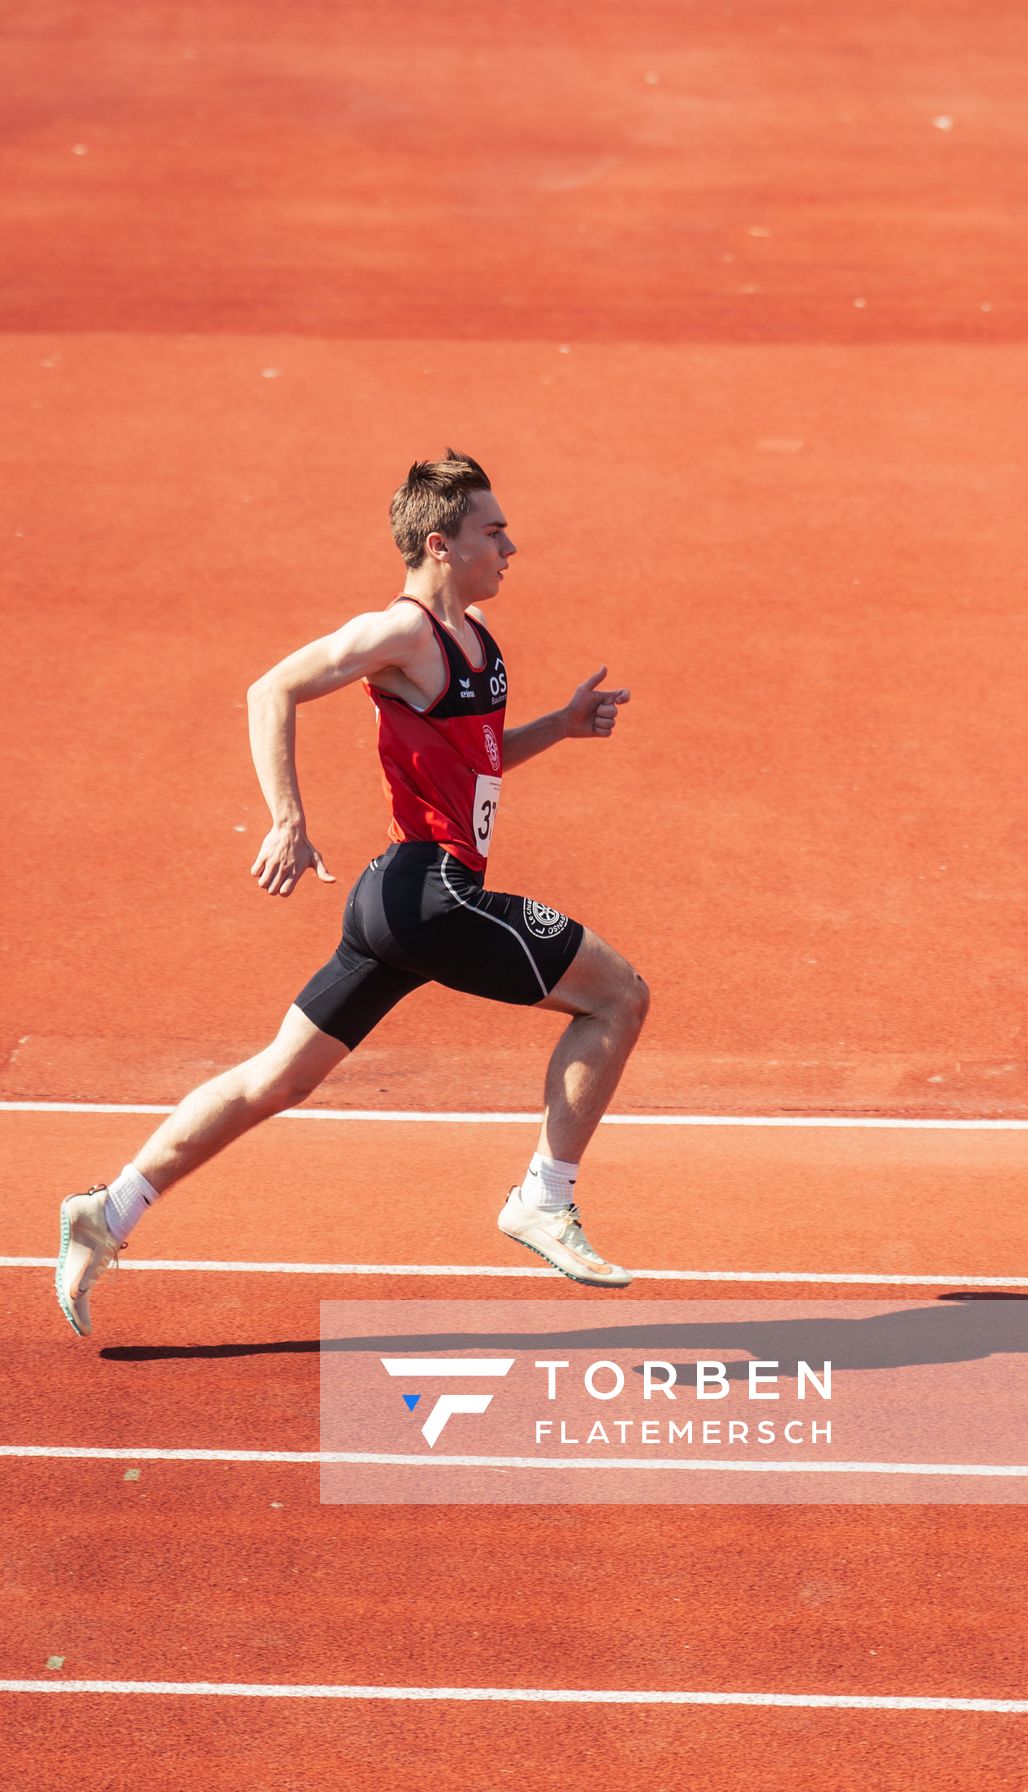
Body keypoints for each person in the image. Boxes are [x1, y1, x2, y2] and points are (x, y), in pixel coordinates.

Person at [55, 451, 649, 1335]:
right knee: (617, 996)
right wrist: (286, 820)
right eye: (494, 532)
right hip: (428, 893)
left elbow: (477, 765)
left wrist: (557, 730)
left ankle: (110, 1210)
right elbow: (273, 687)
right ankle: (543, 1199)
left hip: (398, 897)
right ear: (441, 545)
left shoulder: (477, 642)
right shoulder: (401, 633)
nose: (511, 547)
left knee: (276, 1081)